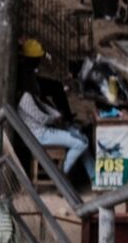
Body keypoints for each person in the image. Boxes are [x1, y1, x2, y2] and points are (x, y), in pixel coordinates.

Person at [16, 39, 90, 181]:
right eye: (37, 59)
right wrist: (55, 118)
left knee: (80, 135)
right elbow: (40, 115)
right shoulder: (25, 93)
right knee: (81, 142)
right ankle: (61, 175)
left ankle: (93, 176)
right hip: (41, 133)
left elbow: (41, 105)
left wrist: (57, 114)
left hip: (43, 129)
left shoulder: (30, 87)